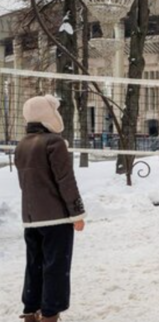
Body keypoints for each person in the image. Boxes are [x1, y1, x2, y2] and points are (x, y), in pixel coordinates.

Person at [15, 95, 86, 322]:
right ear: (48, 115)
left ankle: (30, 311)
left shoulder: (22, 144)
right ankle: (50, 315)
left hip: (31, 218)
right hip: (56, 219)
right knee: (56, 267)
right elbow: (66, 180)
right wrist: (77, 213)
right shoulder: (54, 143)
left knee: (34, 265)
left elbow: (25, 183)